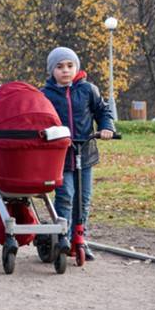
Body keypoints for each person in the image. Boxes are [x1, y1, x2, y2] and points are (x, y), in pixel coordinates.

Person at [41, 47, 115, 260]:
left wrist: (106, 127)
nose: (65, 70)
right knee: (65, 197)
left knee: (83, 199)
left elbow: (103, 111)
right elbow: (40, 119)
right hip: (60, 157)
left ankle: (79, 239)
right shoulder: (45, 95)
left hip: (85, 152)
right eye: (60, 67)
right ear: (51, 70)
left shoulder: (88, 90)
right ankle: (61, 239)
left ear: (77, 67)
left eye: (70, 66)